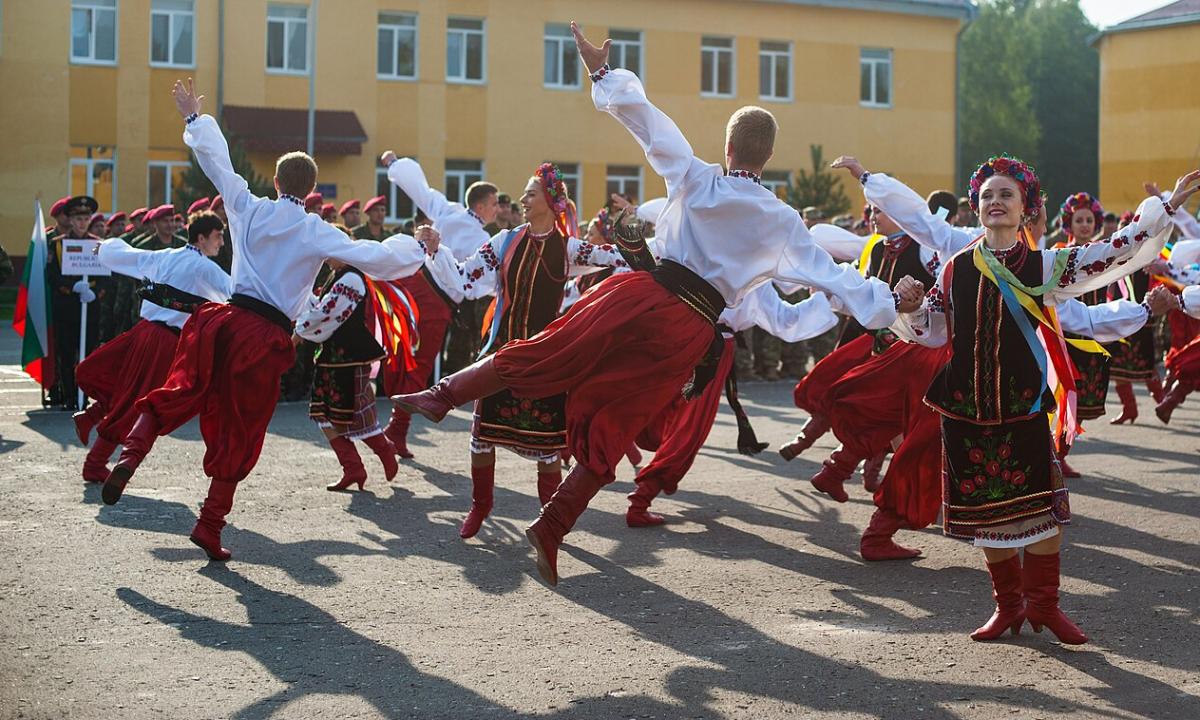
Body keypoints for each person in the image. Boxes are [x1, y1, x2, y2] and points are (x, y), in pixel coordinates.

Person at [393, 24, 906, 585]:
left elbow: (649, 124)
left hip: (648, 294)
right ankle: (552, 524)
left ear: (729, 147)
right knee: (618, 418)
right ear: (769, 156)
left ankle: (444, 396)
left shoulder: (696, 177)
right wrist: (887, 305)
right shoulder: (782, 223)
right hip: (691, 330)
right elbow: (828, 287)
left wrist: (601, 72)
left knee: (549, 349)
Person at [100, 78, 427, 562]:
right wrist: (419, 246)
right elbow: (373, 257)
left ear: (275, 182)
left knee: (180, 388)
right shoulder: (317, 230)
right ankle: (209, 525)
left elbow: (219, 166)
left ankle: (131, 454)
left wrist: (194, 119)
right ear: (312, 190)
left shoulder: (247, 206)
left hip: (224, 321)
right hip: (264, 336)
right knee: (243, 429)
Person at [892, 155, 1198, 643]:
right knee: (986, 517)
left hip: (1023, 406)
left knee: (1043, 514)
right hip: (966, 409)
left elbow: (1114, 251)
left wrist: (1163, 209)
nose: (996, 202)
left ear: (1025, 208)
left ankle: (1045, 608)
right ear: (976, 206)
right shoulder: (953, 269)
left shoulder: (1046, 265)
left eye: (1006, 195)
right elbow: (931, 332)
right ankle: (1008, 608)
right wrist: (908, 307)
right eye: (988, 195)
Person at [410, 162, 628, 541]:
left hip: (546, 358)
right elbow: (463, 278)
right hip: (502, 353)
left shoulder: (570, 249)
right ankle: (481, 505)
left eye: (530, 194)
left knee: (546, 448)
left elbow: (620, 258)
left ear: (550, 201)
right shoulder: (505, 242)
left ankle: (548, 521)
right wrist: (436, 248)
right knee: (481, 437)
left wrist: (632, 226)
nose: (523, 200)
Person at [628, 282, 842, 526]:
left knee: (653, 406)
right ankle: (641, 498)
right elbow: (785, 319)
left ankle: (626, 474)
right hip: (711, 344)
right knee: (688, 427)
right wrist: (826, 297)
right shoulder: (755, 267)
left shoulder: (693, 246)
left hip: (677, 334)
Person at [75, 211, 232, 484]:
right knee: (137, 401)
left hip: (143, 332)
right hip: (164, 342)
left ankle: (91, 416)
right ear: (201, 237)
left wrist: (107, 250)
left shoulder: (167, 255)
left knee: (126, 386)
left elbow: (131, 256)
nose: (221, 242)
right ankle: (95, 463)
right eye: (218, 237)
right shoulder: (205, 268)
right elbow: (235, 293)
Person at [377, 153, 498, 458]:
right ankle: (395, 429)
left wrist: (394, 164)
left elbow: (421, 190)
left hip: (415, 284)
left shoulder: (449, 211)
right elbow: (479, 281)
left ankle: (395, 427)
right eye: (495, 203)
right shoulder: (483, 237)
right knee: (419, 365)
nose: (499, 209)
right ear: (481, 206)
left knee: (406, 356)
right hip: (435, 302)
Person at [295, 226, 409, 491]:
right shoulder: (339, 276)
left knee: (356, 417)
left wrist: (299, 333)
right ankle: (353, 468)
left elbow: (328, 314)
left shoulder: (351, 278)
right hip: (331, 358)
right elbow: (320, 307)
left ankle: (385, 451)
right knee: (323, 415)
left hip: (349, 358)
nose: (324, 257)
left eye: (328, 251)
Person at [1053, 193, 1111, 477]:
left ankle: (1060, 453)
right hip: (1062, 336)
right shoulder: (1059, 252)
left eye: (1089, 219)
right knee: (1059, 396)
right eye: (1080, 220)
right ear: (1069, 223)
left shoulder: (1102, 252)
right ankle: (1052, 455)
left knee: (1080, 400)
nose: (1085, 225)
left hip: (1090, 335)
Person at [47, 195, 107, 410]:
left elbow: (106, 277)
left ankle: (85, 394)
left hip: (89, 305)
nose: (82, 222)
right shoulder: (58, 245)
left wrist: (95, 291)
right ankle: (70, 396)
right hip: (67, 306)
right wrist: (72, 287)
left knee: (89, 352)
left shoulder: (98, 245)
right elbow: (52, 275)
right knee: (66, 351)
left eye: (85, 218)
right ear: (70, 220)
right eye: (77, 218)